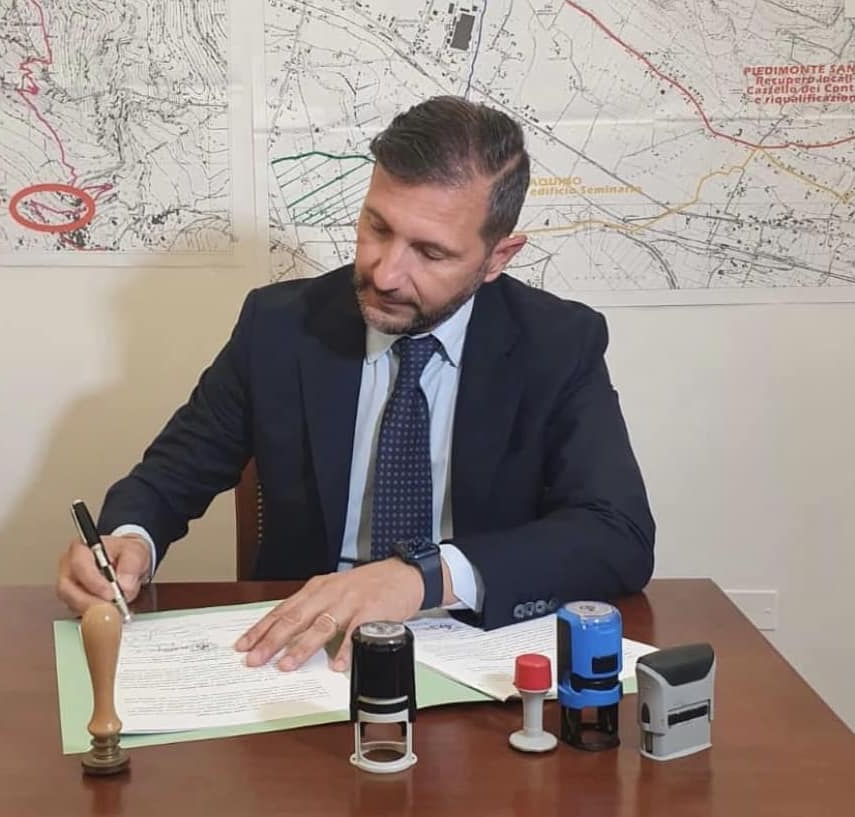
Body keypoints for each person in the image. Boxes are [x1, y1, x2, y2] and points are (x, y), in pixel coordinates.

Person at [57, 96, 654, 673]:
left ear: (497, 258)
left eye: (430, 253)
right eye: (377, 227)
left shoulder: (558, 343)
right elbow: (170, 476)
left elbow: (617, 533)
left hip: (474, 649)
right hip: (301, 654)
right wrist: (130, 540)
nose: (386, 274)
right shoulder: (279, 327)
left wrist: (425, 577)